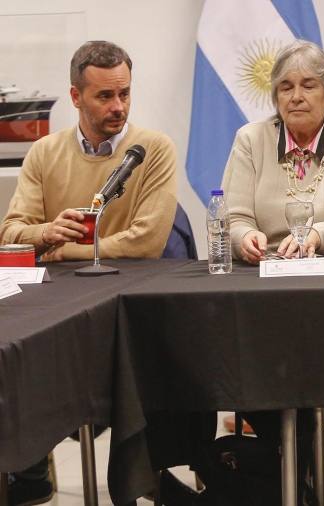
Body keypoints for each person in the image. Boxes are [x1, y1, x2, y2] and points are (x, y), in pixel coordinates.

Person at [0, 40, 177, 505]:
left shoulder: (152, 148)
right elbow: (11, 235)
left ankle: (153, 471)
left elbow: (146, 242)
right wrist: (44, 232)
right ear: (76, 97)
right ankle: (28, 464)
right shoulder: (44, 152)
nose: (118, 106)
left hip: (134, 294)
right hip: (62, 301)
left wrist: (64, 251)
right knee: (18, 345)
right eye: (104, 96)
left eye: (125, 94)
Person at [217, 39, 324, 502]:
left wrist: (318, 236)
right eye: (285, 87)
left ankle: (286, 465)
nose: (295, 96)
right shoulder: (250, 139)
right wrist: (245, 238)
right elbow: (233, 217)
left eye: (308, 85)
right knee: (244, 355)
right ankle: (289, 467)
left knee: (309, 366)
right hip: (262, 287)